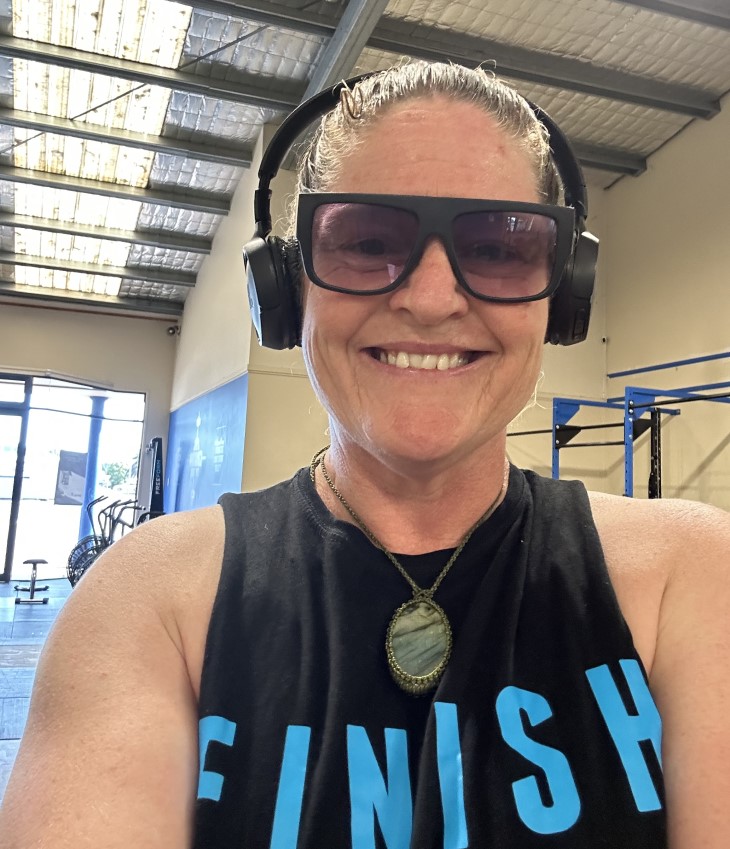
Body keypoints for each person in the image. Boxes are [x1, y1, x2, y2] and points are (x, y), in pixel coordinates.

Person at [1, 61, 728, 849]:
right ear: (285, 289)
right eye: (368, 240)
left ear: (563, 295)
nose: (430, 296)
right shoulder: (153, 602)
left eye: (498, 247)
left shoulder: (691, 578)